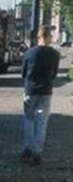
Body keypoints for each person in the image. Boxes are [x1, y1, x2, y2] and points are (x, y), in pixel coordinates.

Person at [20, 25, 61, 166]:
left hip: (30, 89)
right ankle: (38, 152)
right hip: (46, 90)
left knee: (28, 119)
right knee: (42, 122)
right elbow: (54, 73)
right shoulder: (55, 54)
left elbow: (23, 72)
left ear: (38, 37)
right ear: (49, 37)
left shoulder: (30, 53)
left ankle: (27, 148)